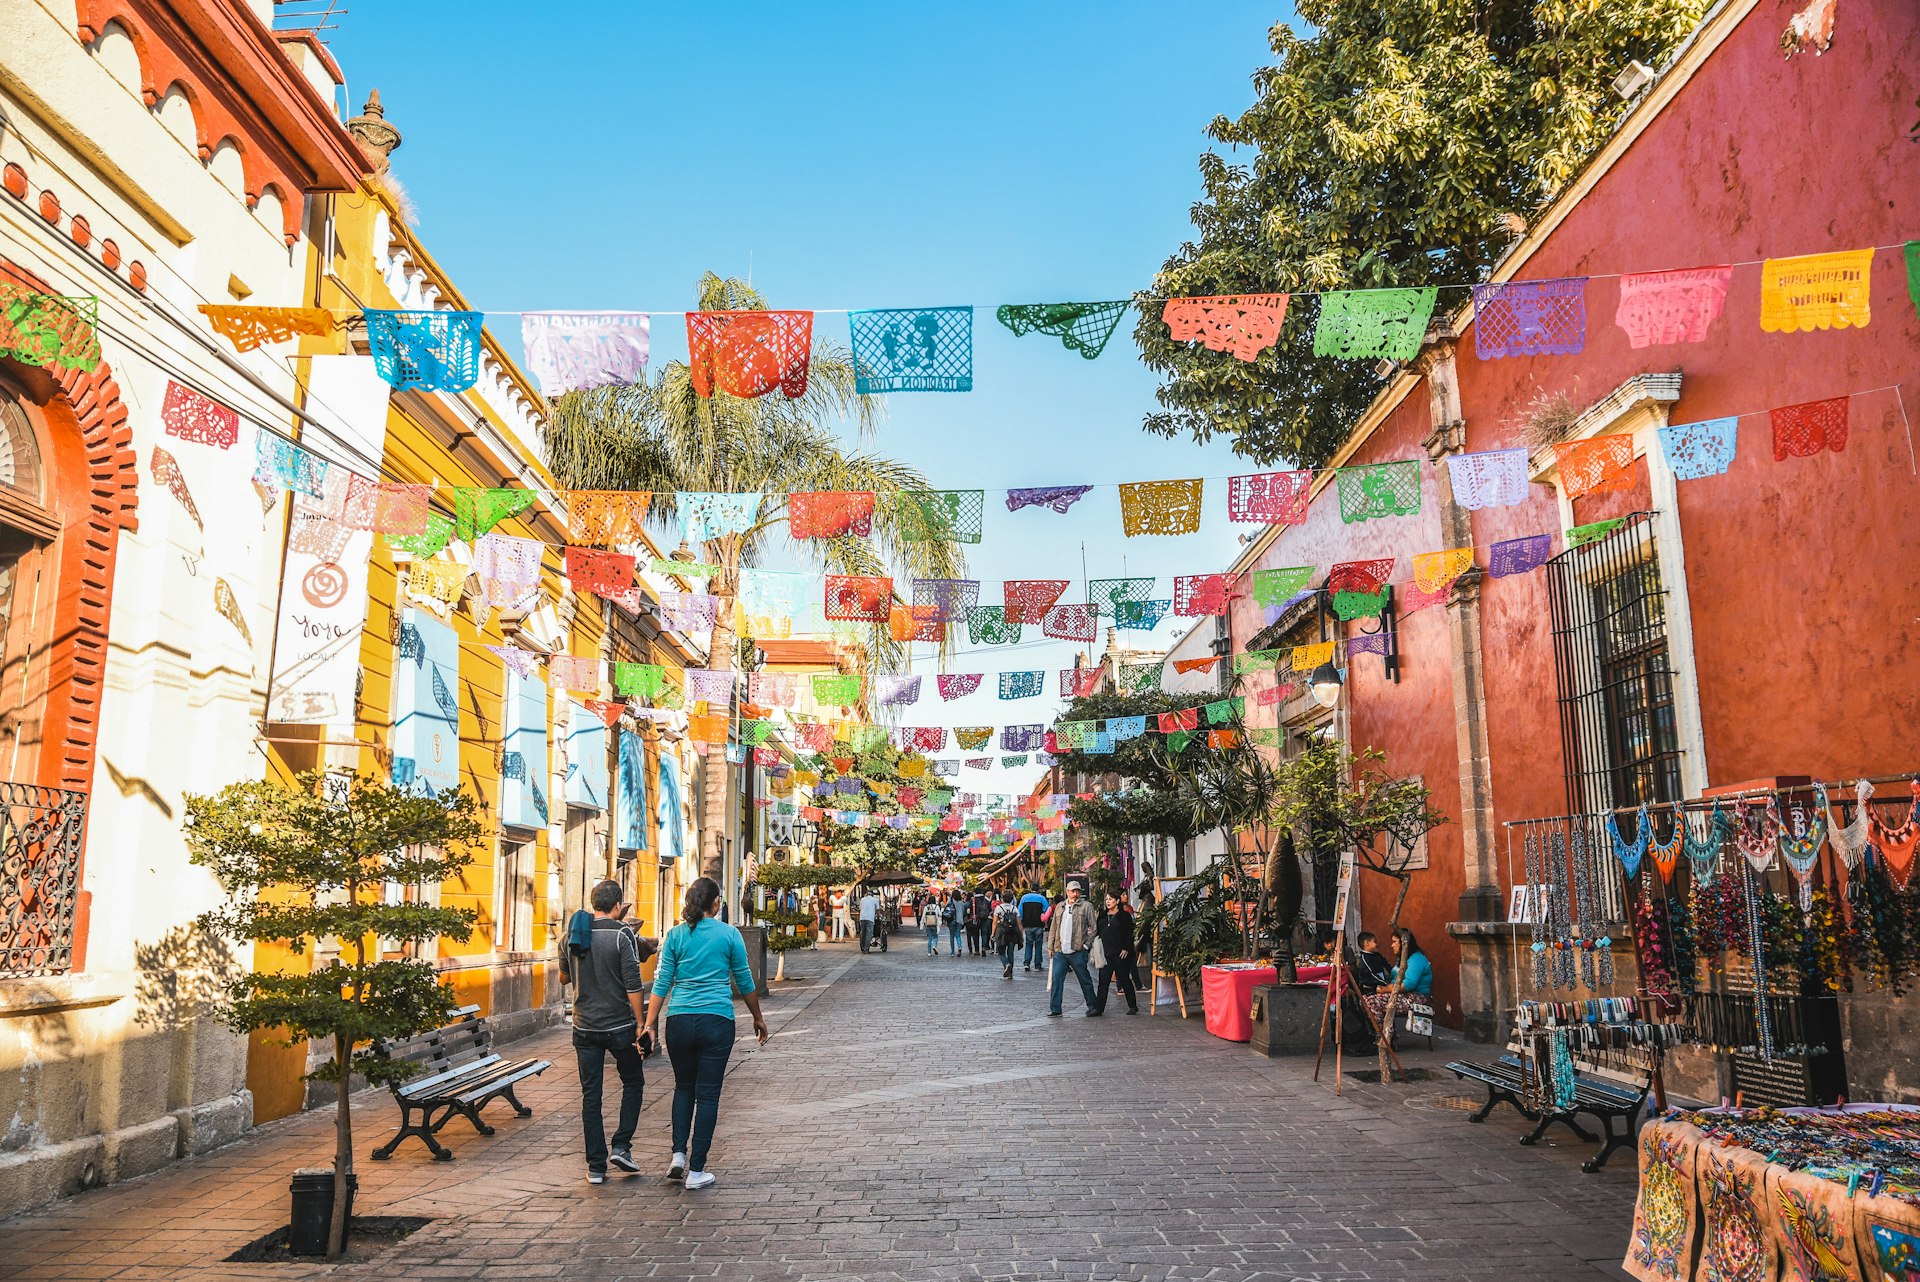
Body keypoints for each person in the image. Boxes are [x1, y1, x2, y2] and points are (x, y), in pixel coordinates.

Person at [643, 877, 768, 1191]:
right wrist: (758, 1018)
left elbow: (662, 983)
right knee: (708, 1094)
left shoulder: (674, 935)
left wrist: (648, 1023)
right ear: (716, 903)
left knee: (683, 1087)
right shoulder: (729, 934)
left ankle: (678, 1155)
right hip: (716, 1020)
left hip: (680, 1021)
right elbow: (745, 981)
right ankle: (697, 1170)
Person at [558, 879, 649, 1184]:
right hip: (619, 1027)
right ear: (618, 906)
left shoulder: (570, 935)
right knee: (633, 1081)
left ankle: (596, 1166)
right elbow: (633, 985)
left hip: (583, 1026)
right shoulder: (622, 934)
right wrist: (641, 1024)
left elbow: (562, 978)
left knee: (590, 1096)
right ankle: (621, 1145)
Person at [1045, 882, 1099, 1017]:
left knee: (1085, 979)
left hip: (1078, 950)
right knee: (1057, 980)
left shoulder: (1086, 906)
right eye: (1073, 891)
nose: (1076, 894)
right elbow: (1053, 928)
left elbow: (1093, 928)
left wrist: (1086, 946)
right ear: (1067, 892)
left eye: (1078, 891)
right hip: (1060, 950)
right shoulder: (1060, 907)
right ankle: (1055, 1008)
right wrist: (1051, 946)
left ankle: (1092, 1006)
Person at [1092, 889, 1139, 1015]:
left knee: (1124, 979)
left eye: (1111, 899)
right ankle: (1099, 1008)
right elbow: (1098, 932)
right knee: (1103, 982)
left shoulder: (1124, 915)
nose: (1108, 902)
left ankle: (1133, 1006)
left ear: (1117, 901)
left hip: (1120, 953)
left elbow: (1130, 933)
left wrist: (1126, 948)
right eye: (1107, 899)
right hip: (1105, 953)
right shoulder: (1102, 915)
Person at [1018, 883, 1049, 972]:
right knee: (1038, 945)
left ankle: (1027, 963)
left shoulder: (1024, 898)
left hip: (1028, 925)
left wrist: (1021, 923)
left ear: (1030, 888)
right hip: (1039, 925)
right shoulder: (1042, 898)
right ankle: (1037, 964)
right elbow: (1046, 911)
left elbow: (1020, 912)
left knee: (1028, 944)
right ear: (1038, 889)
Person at [992, 891, 1023, 978]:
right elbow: (1019, 922)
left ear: (1002, 898)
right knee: (1011, 952)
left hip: (1001, 932)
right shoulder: (1014, 908)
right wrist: (1021, 933)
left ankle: (1006, 964)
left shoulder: (998, 908)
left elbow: (994, 922)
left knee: (1001, 951)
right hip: (1012, 932)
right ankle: (1010, 973)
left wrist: (992, 933)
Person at [857, 885, 880, 953]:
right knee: (869, 934)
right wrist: (878, 915)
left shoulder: (862, 899)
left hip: (862, 918)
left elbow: (860, 909)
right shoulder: (875, 900)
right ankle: (866, 949)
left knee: (863, 933)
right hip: (870, 918)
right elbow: (878, 910)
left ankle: (862, 946)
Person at [944, 891, 964, 956]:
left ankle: (952, 952)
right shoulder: (961, 903)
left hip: (951, 920)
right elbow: (963, 912)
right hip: (959, 920)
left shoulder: (950, 901)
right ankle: (959, 947)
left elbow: (946, 910)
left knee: (952, 936)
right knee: (958, 935)